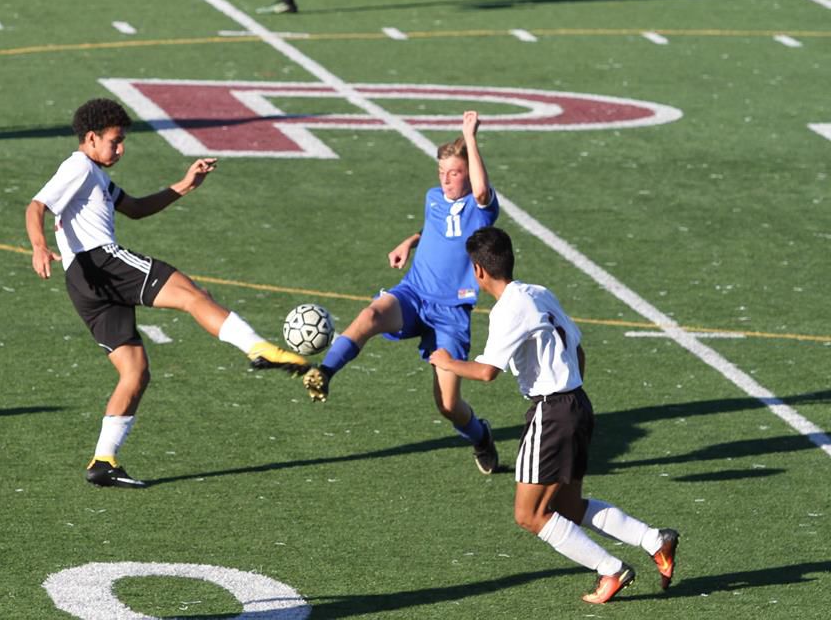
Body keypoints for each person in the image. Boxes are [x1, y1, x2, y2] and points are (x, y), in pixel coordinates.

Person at [25, 98, 309, 489]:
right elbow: (36, 205)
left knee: (135, 371)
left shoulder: (97, 175)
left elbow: (137, 209)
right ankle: (257, 348)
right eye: (115, 141)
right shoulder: (78, 166)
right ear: (90, 138)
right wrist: (38, 246)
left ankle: (103, 460)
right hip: (102, 262)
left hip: (83, 282)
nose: (121, 149)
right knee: (194, 294)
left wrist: (184, 186)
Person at [429, 226, 679, 604]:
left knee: (529, 515)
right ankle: (653, 539)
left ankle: (611, 569)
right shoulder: (539, 293)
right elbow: (578, 349)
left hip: (552, 413)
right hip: (578, 403)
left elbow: (486, 372)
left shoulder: (507, 309)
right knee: (567, 506)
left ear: (479, 270)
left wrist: (446, 362)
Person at [303, 111, 501, 474]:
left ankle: (480, 436)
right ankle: (325, 373)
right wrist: (409, 241)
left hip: (451, 312)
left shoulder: (481, 207)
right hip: (415, 292)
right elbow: (439, 233)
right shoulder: (433, 198)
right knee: (371, 315)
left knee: (447, 404)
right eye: (441, 172)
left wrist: (470, 138)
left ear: (468, 173)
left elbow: (482, 191)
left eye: (454, 173)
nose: (445, 180)